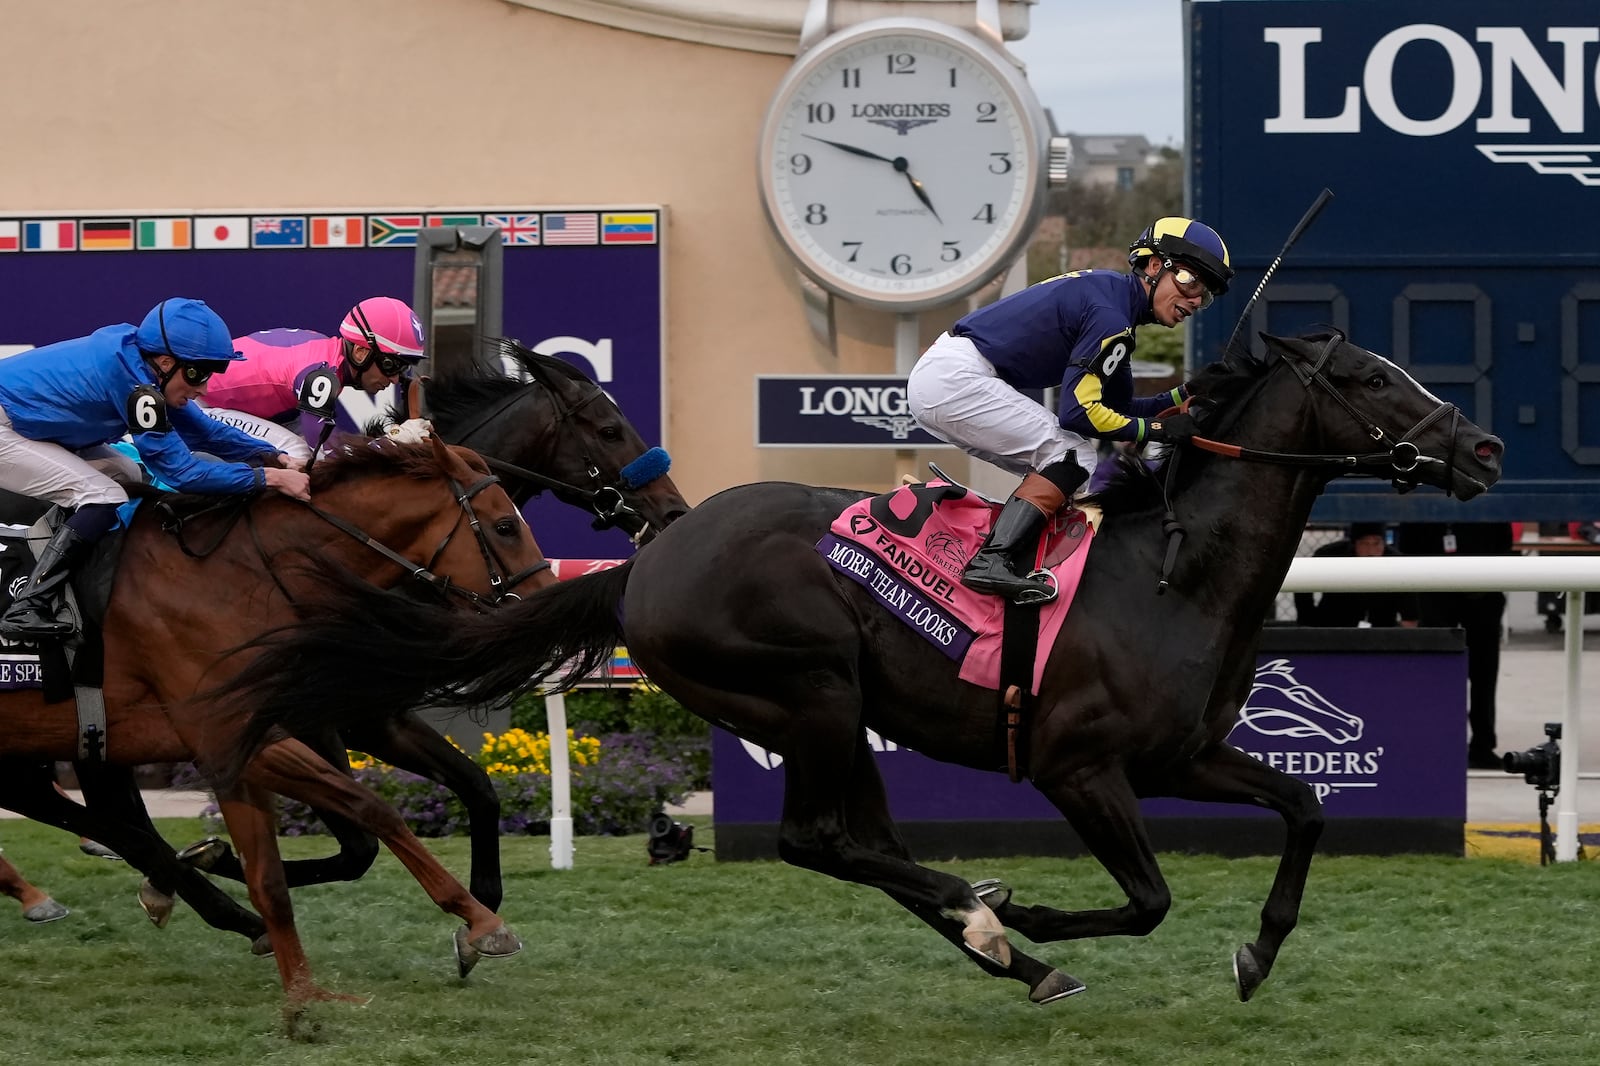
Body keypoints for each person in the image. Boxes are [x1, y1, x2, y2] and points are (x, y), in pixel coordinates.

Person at [908, 216, 1234, 601]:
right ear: (1152, 265)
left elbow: (1119, 407)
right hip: (956, 377)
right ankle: (991, 560)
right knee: (1072, 454)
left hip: (950, 376)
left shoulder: (1116, 307)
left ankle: (1011, 555)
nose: (1196, 300)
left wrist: (1185, 394)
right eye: (1190, 281)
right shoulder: (1111, 317)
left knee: (1071, 472)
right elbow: (1078, 413)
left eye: (1206, 293)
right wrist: (1158, 431)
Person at [0, 298, 311, 641]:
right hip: (7, 428)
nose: (204, 388)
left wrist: (273, 456)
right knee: (103, 495)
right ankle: (29, 603)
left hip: (28, 425)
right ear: (166, 362)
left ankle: (64, 571)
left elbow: (204, 431)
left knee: (126, 476)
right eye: (198, 373)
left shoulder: (146, 367)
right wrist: (270, 478)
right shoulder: (137, 385)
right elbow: (183, 473)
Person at [199, 296, 427, 462]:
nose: (396, 379)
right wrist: (395, 440)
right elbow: (326, 452)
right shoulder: (322, 374)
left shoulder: (326, 355)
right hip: (201, 403)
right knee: (300, 454)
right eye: (391, 365)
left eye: (402, 368)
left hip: (223, 402)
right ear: (360, 352)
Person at [1394, 522, 1515, 770]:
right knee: (1438, 674)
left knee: (1483, 675)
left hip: (1482, 592)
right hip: (1434, 591)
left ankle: (1482, 745)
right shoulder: (1425, 496)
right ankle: (1439, 743)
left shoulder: (1487, 501)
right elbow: (1408, 543)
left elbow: (1503, 541)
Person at [1294, 522, 1419, 628]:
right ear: (1355, 544)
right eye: (1365, 544)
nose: (1371, 551)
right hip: (1334, 626)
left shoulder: (1396, 563)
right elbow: (1303, 584)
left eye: (1376, 543)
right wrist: (1309, 621)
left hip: (1381, 629)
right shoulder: (1331, 555)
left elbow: (1410, 611)